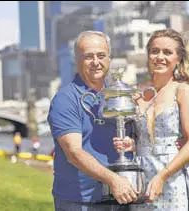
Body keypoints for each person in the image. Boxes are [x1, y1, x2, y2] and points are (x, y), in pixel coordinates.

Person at [113, 29, 189, 210]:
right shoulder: (135, 92)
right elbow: (141, 138)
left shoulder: (183, 91)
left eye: (167, 52)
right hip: (140, 176)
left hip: (172, 175)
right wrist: (131, 143)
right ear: (148, 55)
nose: (160, 57)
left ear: (178, 58)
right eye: (155, 51)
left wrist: (162, 176)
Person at [47, 30, 138, 211]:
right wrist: (113, 180)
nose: (96, 62)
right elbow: (74, 153)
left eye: (101, 55)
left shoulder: (122, 95)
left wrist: (133, 143)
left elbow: (145, 138)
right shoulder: (65, 99)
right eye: (88, 56)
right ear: (77, 60)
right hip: (80, 201)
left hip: (122, 198)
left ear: (109, 59)